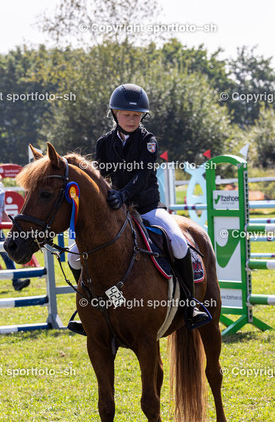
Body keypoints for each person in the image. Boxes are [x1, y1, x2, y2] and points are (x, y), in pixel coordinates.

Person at [68, 83, 210, 330]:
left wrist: (123, 194)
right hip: (115, 211)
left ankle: (190, 305)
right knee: (73, 255)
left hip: (148, 208)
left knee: (178, 243)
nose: (132, 120)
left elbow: (143, 175)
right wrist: (106, 198)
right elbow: (100, 177)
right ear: (115, 114)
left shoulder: (148, 141)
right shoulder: (104, 143)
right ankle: (90, 305)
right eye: (127, 115)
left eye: (137, 115)